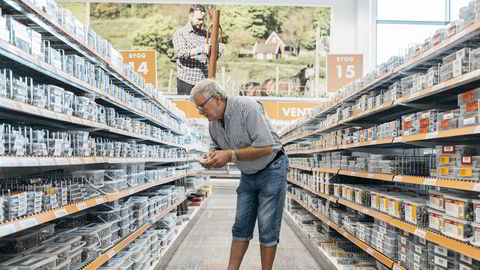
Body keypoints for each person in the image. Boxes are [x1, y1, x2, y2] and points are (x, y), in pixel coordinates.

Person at [190, 79, 288, 270]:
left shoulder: (246, 107)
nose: (201, 112)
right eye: (198, 108)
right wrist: (210, 156)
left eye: (202, 106)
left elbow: (266, 146)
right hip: (248, 172)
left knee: (267, 227)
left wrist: (231, 155)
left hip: (272, 167)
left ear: (217, 98)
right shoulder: (213, 124)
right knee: (241, 225)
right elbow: (216, 146)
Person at [173, 5, 224, 95]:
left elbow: (210, 58)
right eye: (198, 19)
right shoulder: (180, 33)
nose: (201, 22)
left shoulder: (205, 34)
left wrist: (218, 51)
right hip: (187, 82)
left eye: (203, 19)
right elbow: (180, 53)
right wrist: (200, 49)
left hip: (203, 83)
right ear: (190, 16)